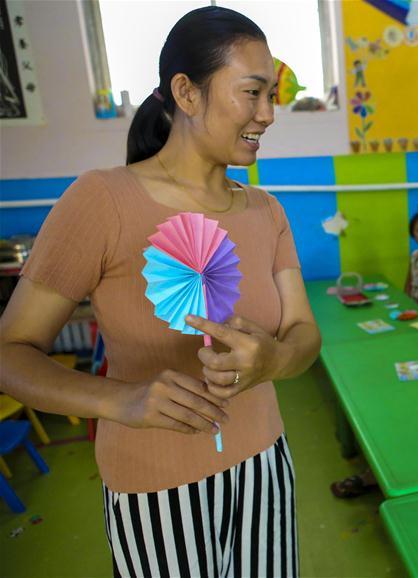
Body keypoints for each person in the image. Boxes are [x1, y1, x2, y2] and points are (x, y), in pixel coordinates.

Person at [0, 7, 321, 575]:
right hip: (155, 487)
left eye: (273, 94)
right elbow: (10, 352)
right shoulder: (101, 201)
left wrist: (273, 359)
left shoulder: (267, 211)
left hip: (266, 464)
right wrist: (117, 400)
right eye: (252, 92)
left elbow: (304, 334)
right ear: (186, 93)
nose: (268, 114)